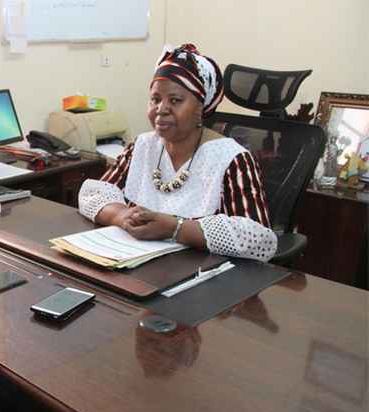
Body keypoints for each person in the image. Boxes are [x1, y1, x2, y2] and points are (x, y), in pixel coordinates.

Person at [78, 44, 277, 262]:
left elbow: (257, 239)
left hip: (201, 278)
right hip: (137, 266)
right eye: (155, 99)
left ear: (200, 108)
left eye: (175, 100)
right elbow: (94, 194)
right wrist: (121, 216)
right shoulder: (142, 146)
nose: (161, 109)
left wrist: (176, 229)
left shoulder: (232, 159)